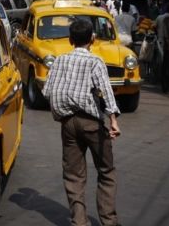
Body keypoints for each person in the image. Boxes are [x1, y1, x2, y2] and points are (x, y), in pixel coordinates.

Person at [42, 19, 121, 226]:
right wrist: (113, 119)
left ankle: (79, 222)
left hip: (67, 124)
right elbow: (106, 92)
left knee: (73, 175)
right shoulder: (95, 61)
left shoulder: (59, 60)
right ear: (92, 40)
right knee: (106, 171)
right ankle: (109, 221)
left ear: (70, 40)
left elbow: (47, 91)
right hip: (92, 124)